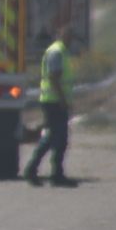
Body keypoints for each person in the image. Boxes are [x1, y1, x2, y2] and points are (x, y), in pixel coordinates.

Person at [24, 25, 80, 187]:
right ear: (61, 35)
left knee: (56, 138)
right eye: (68, 36)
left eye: (71, 36)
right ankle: (46, 173)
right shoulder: (57, 52)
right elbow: (54, 78)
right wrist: (63, 100)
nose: (70, 39)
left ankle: (51, 173)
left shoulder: (62, 52)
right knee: (55, 138)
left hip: (55, 101)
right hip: (53, 101)